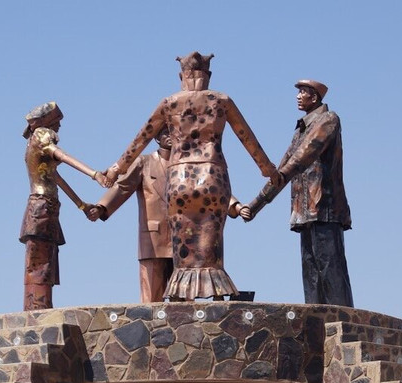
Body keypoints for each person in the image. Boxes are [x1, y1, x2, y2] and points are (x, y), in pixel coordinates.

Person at [104, 51, 277, 300]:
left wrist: (116, 169)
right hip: (213, 176)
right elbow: (247, 137)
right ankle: (217, 295)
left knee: (182, 245)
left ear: (181, 76)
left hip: (179, 179)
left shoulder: (169, 103)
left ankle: (179, 293)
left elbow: (140, 139)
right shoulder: (221, 100)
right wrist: (267, 169)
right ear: (209, 75)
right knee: (211, 243)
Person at [240, 80, 353, 307]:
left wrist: (279, 176)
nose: (298, 96)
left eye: (303, 92)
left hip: (325, 207)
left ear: (316, 97)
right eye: (299, 92)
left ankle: (343, 321)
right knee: (311, 272)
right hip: (304, 212)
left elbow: (302, 157)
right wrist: (255, 204)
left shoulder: (328, 120)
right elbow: (281, 173)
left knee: (331, 268)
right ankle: (316, 321)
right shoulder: (300, 129)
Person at [20, 101, 108, 311]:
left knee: (47, 261)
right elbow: (63, 157)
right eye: (57, 122)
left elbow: (56, 177)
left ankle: (41, 306)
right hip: (41, 207)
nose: (59, 127)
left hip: (47, 207)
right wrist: (94, 174)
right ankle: (36, 309)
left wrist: (81, 205)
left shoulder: (39, 153)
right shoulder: (41, 136)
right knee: (40, 262)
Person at [86, 127, 173, 303]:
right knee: (151, 299)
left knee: (184, 301)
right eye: (165, 132)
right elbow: (123, 186)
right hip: (152, 238)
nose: (170, 136)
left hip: (183, 239)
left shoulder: (187, 164)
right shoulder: (144, 162)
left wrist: (235, 206)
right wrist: (102, 207)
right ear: (156, 137)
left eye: (174, 131)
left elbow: (208, 189)